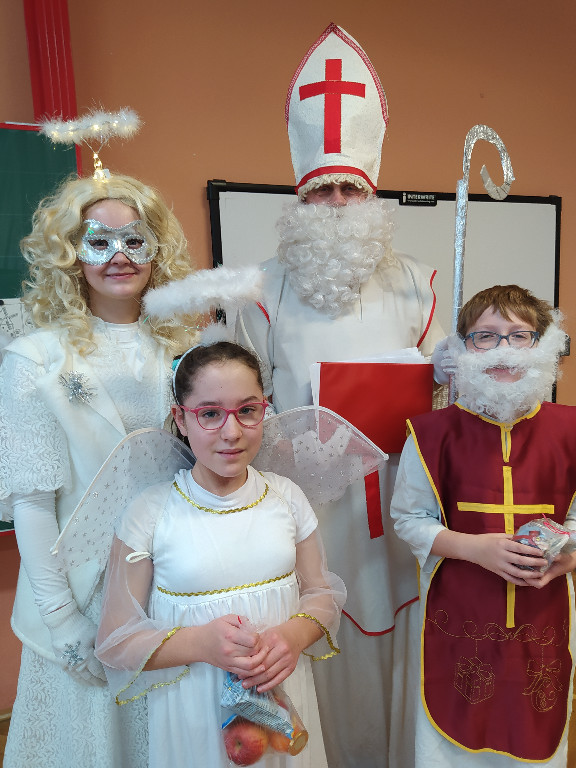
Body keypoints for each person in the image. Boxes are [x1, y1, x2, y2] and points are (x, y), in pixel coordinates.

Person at [236, 22, 445, 767]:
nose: (334, 201)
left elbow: (444, 401)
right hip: (308, 511)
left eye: (348, 188)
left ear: (371, 194)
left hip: (400, 505)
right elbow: (243, 407)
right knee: (320, 635)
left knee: (403, 645)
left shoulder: (419, 284)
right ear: (299, 196)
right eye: (319, 188)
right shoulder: (258, 290)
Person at [0, 172, 197, 768]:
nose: (119, 256)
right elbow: (33, 499)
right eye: (98, 241)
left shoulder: (188, 348)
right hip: (81, 590)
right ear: (69, 252)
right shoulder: (35, 358)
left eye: (135, 240)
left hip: (174, 581)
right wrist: (62, 619)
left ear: (157, 247)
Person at [94, 340, 346, 767]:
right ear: (180, 418)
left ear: (264, 408)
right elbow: (115, 641)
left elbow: (322, 594)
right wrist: (200, 643)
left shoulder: (286, 498)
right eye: (210, 414)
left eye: (247, 410)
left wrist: (293, 636)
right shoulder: (150, 513)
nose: (232, 432)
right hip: (192, 714)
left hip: (281, 707)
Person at [390, 284, 576, 767]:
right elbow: (408, 519)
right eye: (485, 336)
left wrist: (569, 558)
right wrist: (475, 549)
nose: (503, 350)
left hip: (543, 613)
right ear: (463, 348)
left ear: (543, 345)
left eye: (519, 335)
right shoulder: (429, 434)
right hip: (459, 614)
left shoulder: (572, 429)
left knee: (535, 734)